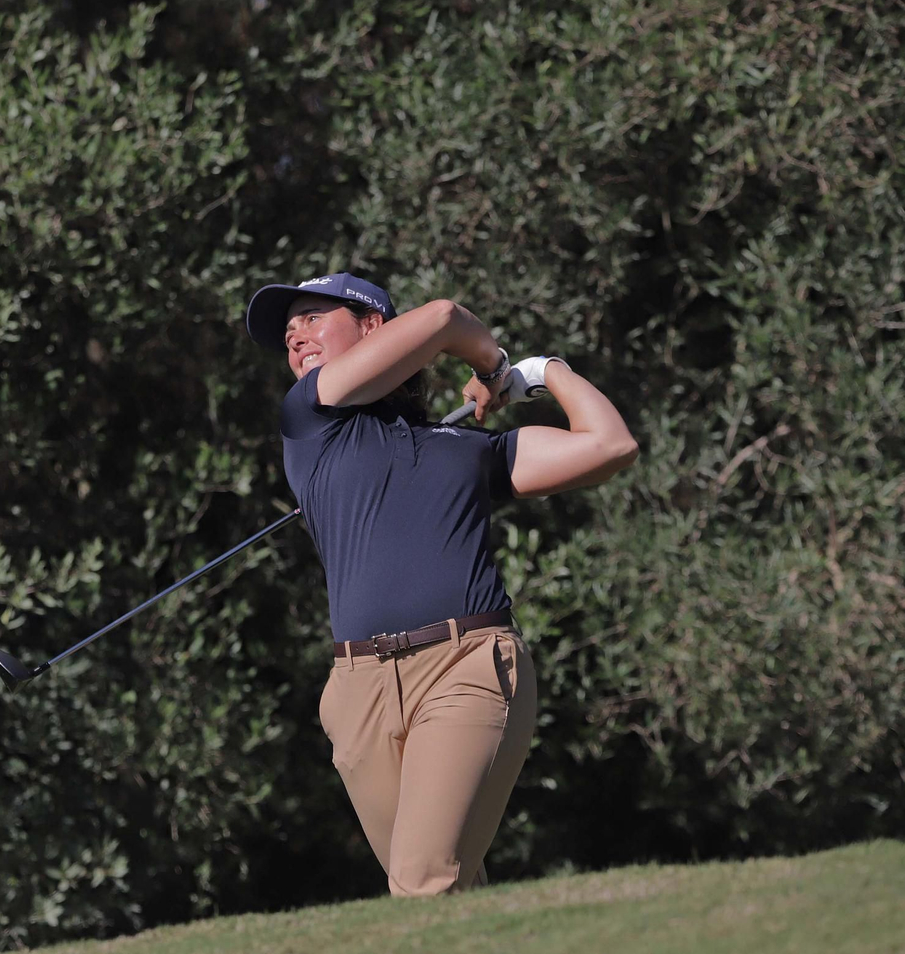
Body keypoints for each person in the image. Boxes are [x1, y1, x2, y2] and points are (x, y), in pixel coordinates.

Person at [244, 272, 638, 896]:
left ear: (372, 325)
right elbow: (445, 321)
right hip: (358, 693)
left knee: (423, 880)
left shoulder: (468, 449)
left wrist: (536, 372)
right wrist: (491, 367)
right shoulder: (308, 421)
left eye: (314, 318)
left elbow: (611, 444)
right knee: (450, 898)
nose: (297, 339)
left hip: (468, 666)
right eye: (290, 334)